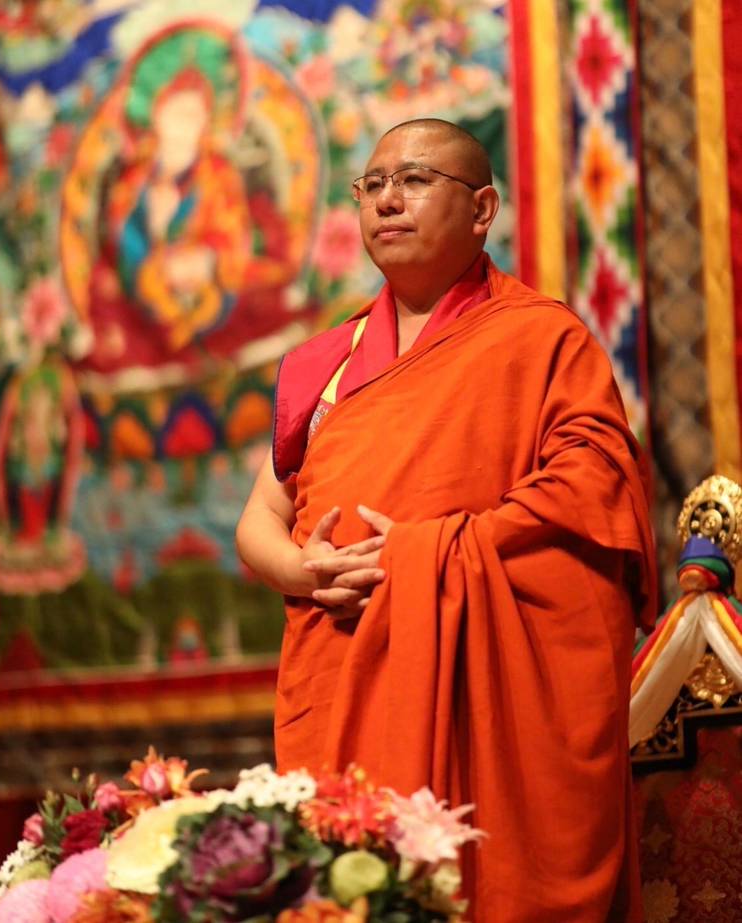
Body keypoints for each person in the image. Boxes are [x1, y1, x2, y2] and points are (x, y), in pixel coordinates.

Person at [236, 118, 656, 922]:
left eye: (417, 180)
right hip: (346, 683)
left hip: (491, 705)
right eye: (372, 185)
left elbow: (590, 497)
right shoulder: (326, 362)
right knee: (354, 889)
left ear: (482, 209)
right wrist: (302, 570)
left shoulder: (542, 340)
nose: (388, 200)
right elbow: (262, 515)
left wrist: (426, 556)